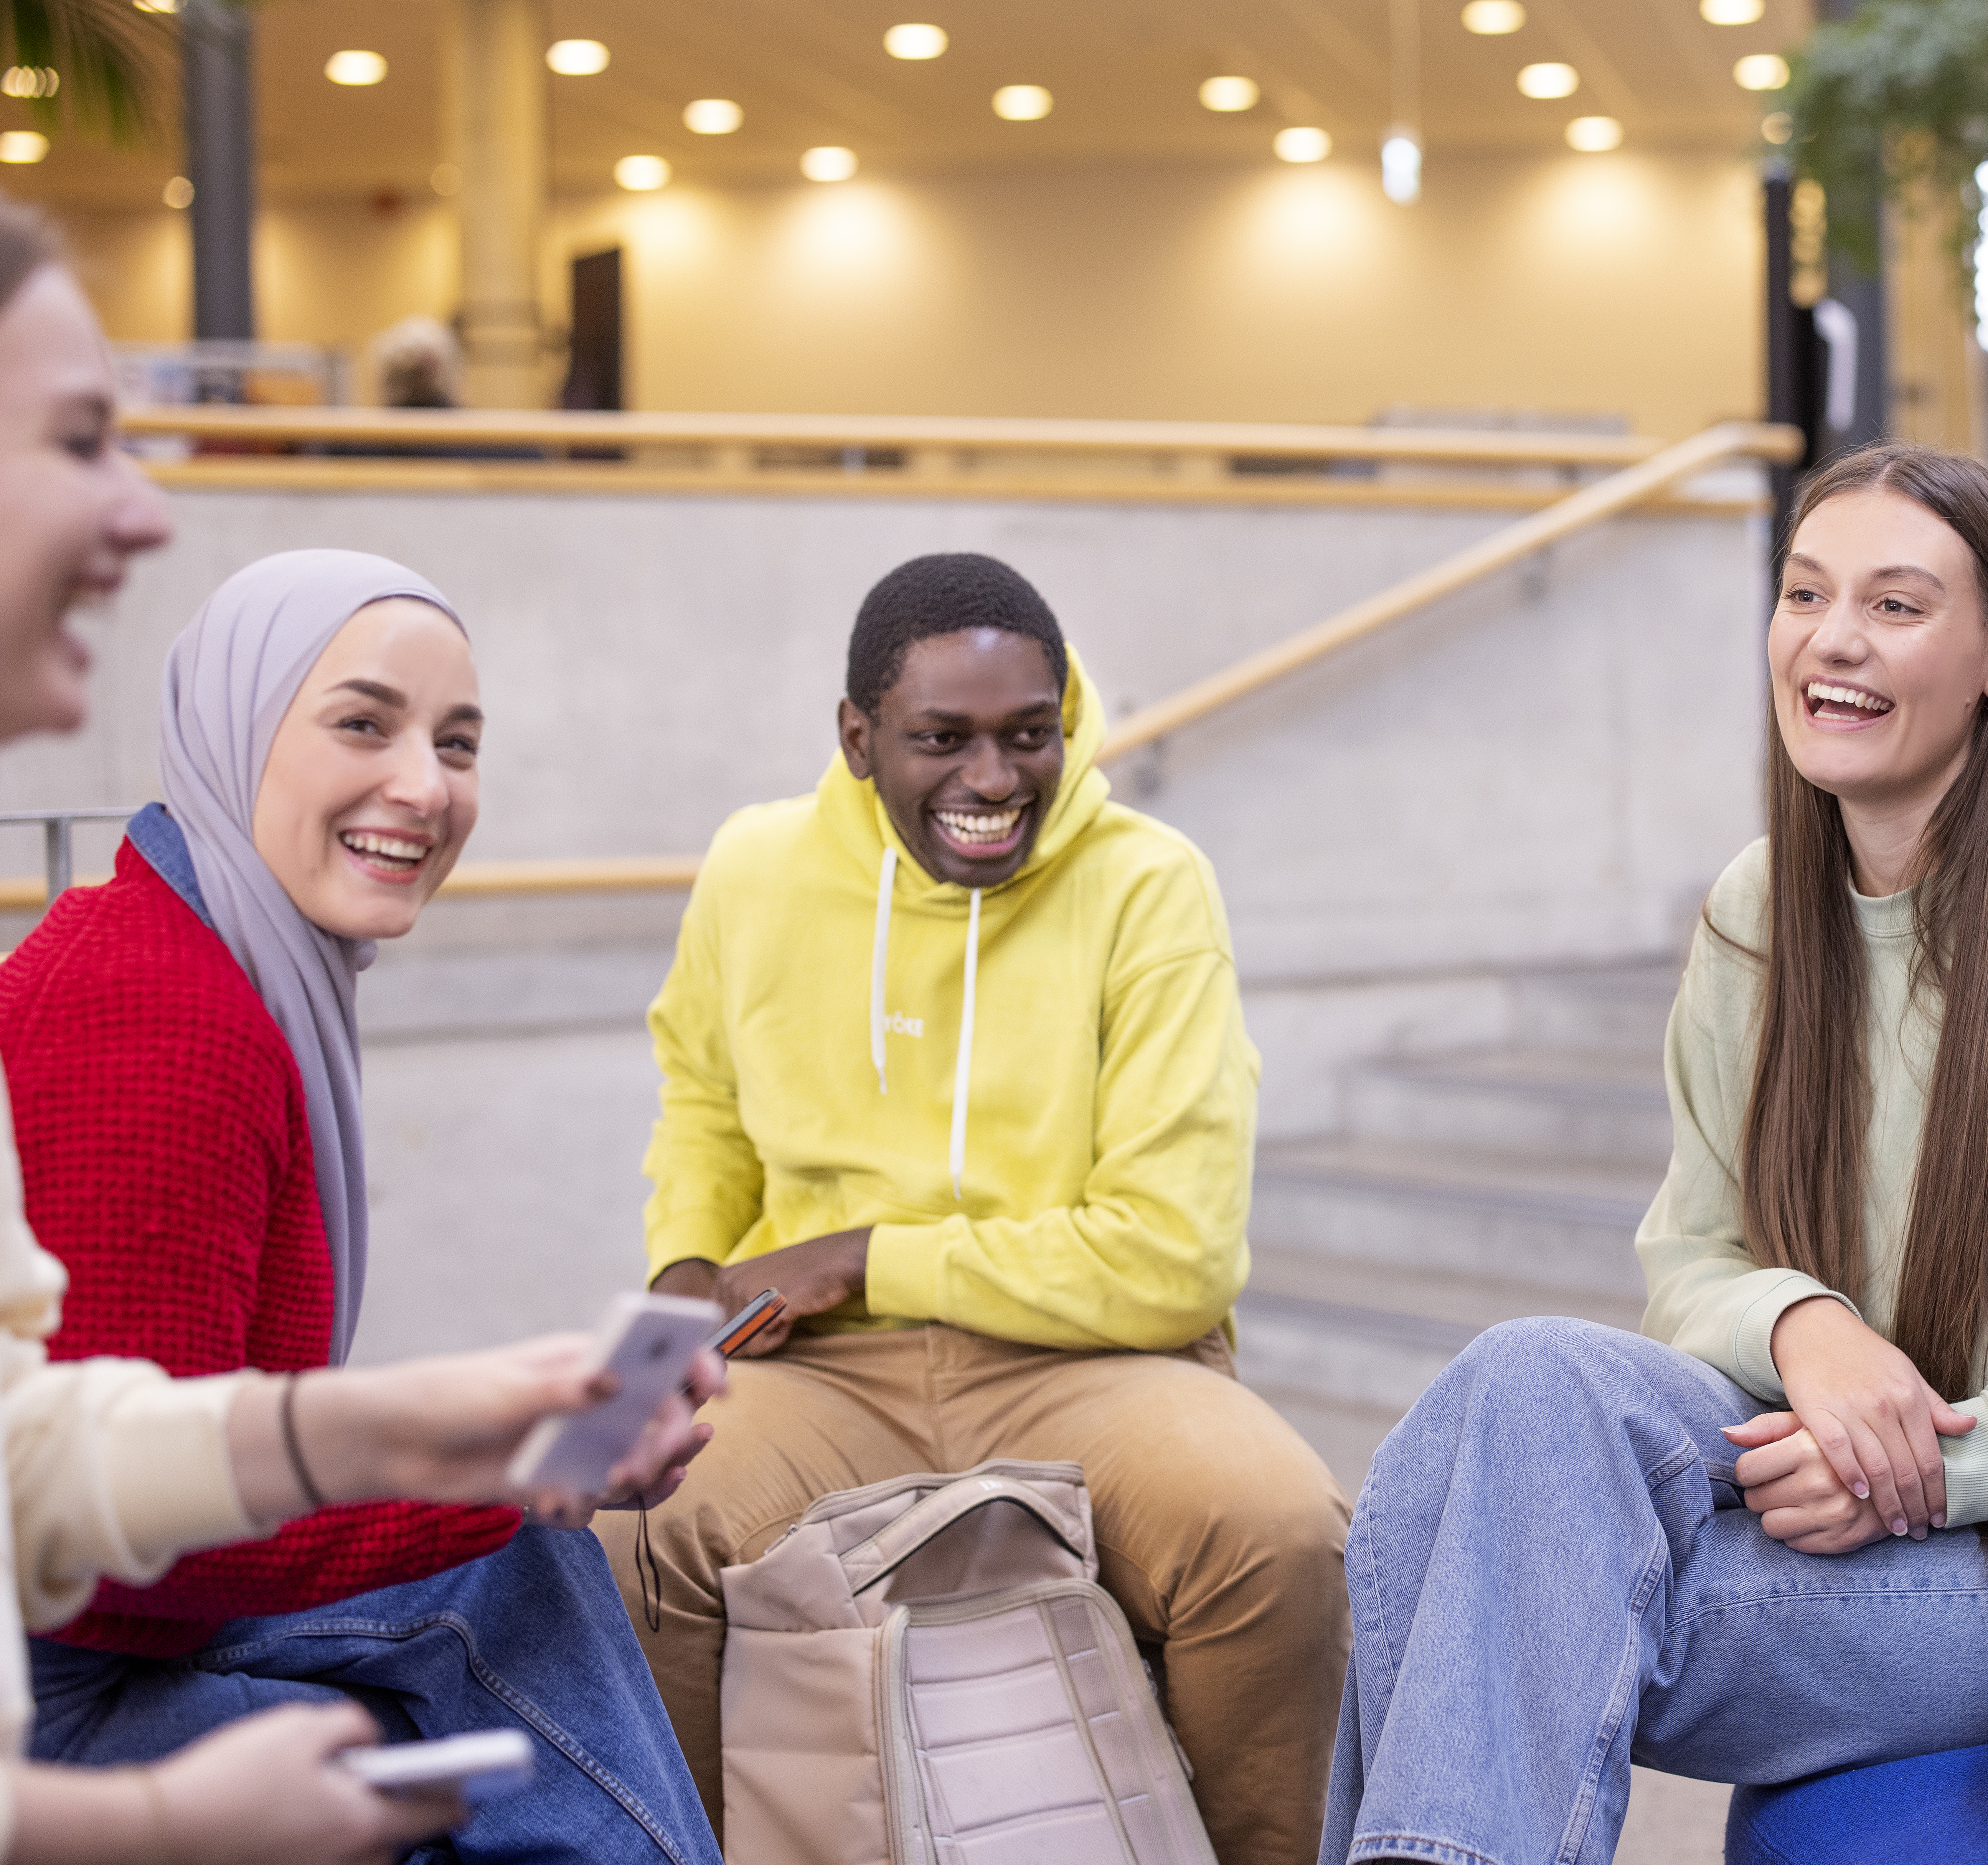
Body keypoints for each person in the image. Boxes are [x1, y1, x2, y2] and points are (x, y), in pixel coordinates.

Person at [1318, 441, 1988, 1864]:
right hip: (1840, 1484)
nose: (1832, 642)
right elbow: (1695, 1253)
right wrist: (1811, 1331)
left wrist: (1932, 1456)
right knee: (1523, 1383)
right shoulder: (1759, 910)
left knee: (1469, 1577)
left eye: (1898, 606)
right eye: (1804, 594)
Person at [0, 193, 719, 1863]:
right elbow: (114, 1562)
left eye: (458, 740)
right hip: (74, 1680)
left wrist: (485, 1435)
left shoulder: (215, 962)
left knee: (510, 1553)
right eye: (362, 723)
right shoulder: (154, 1007)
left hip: (96, 1635)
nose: (427, 785)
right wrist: (494, 1480)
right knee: (505, 1578)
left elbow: (122, 1439)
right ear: (235, 722)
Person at [600, 552, 1351, 1864]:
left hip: (1094, 1364)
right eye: (942, 740)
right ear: (857, 737)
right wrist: (684, 1272)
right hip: (819, 1374)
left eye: (1028, 736)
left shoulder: (1147, 884)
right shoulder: (755, 868)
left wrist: (863, 1258)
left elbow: (1176, 1256)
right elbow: (704, 1100)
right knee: (612, 1527)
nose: (994, 781)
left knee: (1278, 1531)